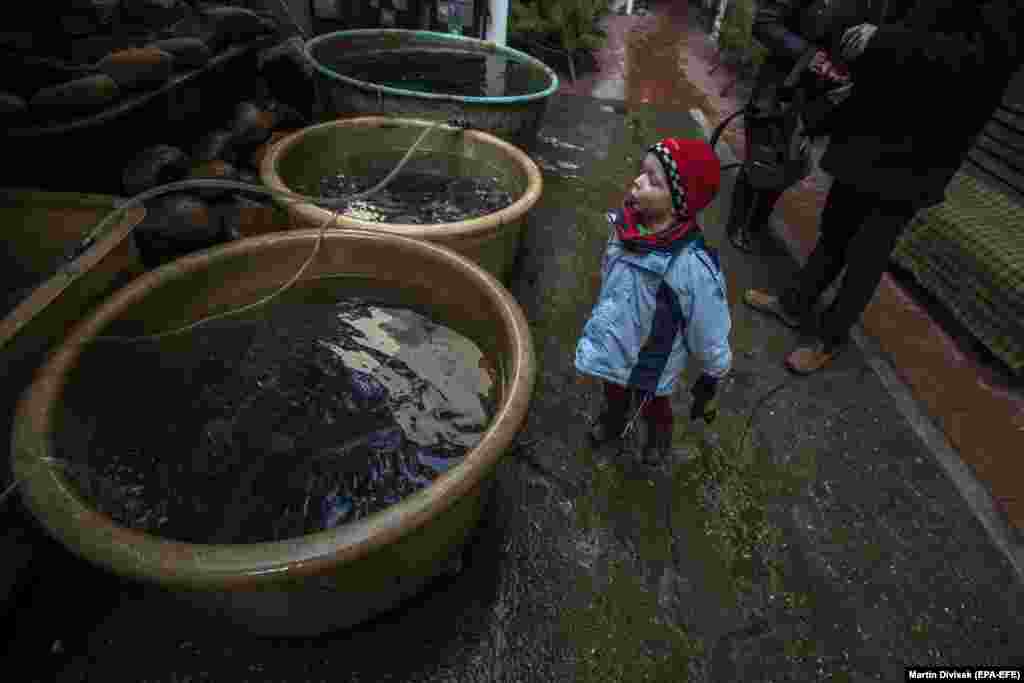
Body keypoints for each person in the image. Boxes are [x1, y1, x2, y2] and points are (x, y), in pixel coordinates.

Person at [744, 0, 1023, 375]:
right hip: (875, 121)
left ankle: (830, 336)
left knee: (868, 249)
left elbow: (974, 64)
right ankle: (795, 303)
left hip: (922, 145)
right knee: (836, 227)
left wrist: (884, 39)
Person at [575, 137, 732, 464]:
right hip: (616, 340)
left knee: (653, 403)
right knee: (613, 388)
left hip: (654, 360)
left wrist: (713, 369)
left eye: (653, 180)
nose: (638, 181)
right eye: (641, 171)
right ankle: (613, 420)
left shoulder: (692, 267)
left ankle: (659, 437)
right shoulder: (625, 228)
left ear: (678, 204)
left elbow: (708, 324)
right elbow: (610, 274)